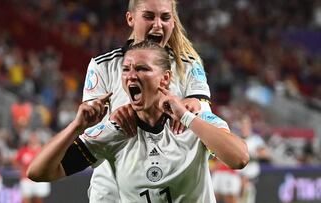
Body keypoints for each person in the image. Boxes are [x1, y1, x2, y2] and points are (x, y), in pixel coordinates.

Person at [27, 41, 249, 202]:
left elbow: (239, 158)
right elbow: (39, 172)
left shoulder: (194, 120)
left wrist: (186, 117)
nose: (131, 75)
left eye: (142, 69)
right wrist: (76, 127)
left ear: (165, 78)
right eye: (126, 69)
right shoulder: (115, 130)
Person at [82, 0, 213, 201]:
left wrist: (189, 111)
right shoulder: (103, 66)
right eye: (149, 16)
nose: (158, 24)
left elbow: (201, 114)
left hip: (173, 186)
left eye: (165, 17)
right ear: (130, 18)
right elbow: (90, 119)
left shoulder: (187, 66)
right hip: (113, 189)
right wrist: (108, 120)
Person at [14, 132, 51, 203]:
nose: (33, 139)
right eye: (32, 138)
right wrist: (20, 169)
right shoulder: (23, 150)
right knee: (25, 199)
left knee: (38, 199)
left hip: (39, 178)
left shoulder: (42, 150)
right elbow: (15, 161)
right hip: (26, 178)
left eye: (35, 138)